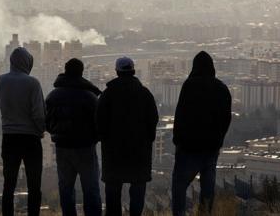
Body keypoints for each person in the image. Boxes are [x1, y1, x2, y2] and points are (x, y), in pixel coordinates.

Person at [171, 51, 232, 216]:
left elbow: (181, 114)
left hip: (188, 148)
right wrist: (218, 140)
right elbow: (226, 118)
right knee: (207, 189)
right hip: (211, 149)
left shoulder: (189, 85)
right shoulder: (221, 88)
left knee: (179, 186)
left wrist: (178, 141)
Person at [96, 57, 159, 216]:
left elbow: (99, 120)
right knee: (138, 187)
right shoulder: (144, 94)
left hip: (113, 152)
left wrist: (105, 140)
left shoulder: (108, 94)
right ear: (133, 71)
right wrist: (148, 139)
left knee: (113, 189)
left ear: (117, 71)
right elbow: (153, 119)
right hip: (139, 151)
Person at [45, 58, 102, 216]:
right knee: (90, 188)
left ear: (65, 70)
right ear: (81, 72)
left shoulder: (53, 96)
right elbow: (100, 124)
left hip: (62, 148)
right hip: (85, 148)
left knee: (66, 188)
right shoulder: (90, 97)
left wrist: (57, 134)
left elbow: (46, 122)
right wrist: (93, 138)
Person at [0, 47, 45, 216]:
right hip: (30, 139)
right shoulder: (32, 83)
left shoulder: (1, 81)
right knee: (34, 184)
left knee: (9, 184)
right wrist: (41, 130)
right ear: (27, 63)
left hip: (9, 137)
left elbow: (2, 105)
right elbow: (38, 113)